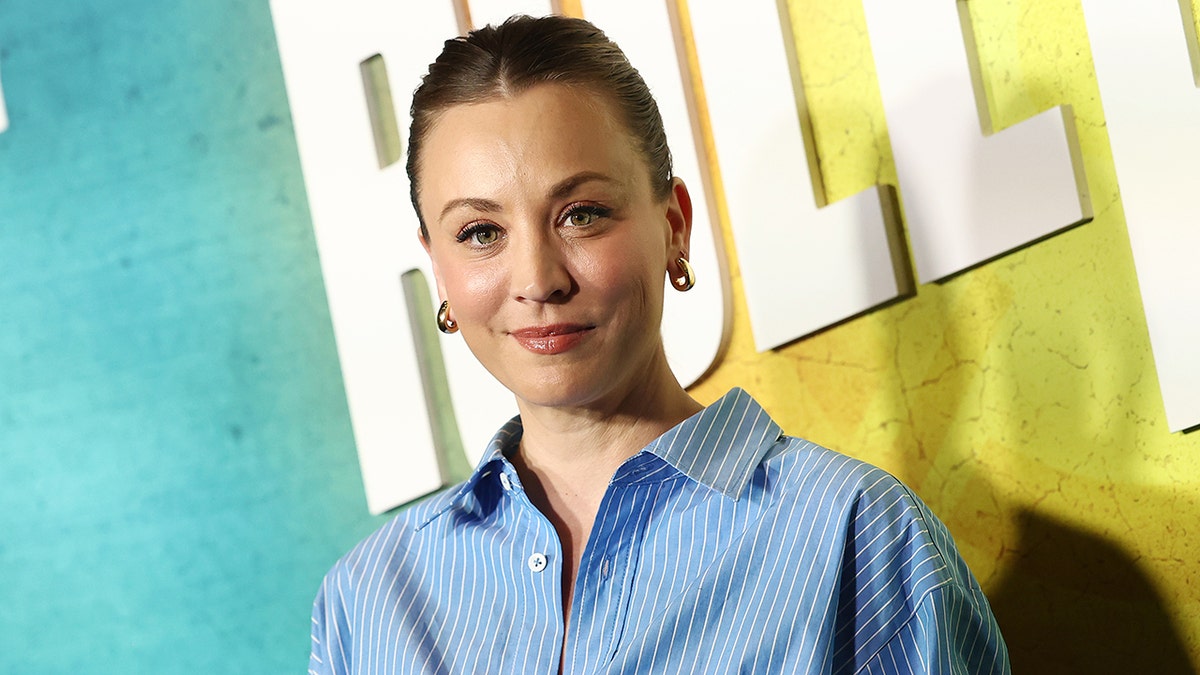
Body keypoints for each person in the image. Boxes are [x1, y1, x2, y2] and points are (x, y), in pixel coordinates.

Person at [309, 14, 1009, 675]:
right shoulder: (368, 603)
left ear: (673, 223)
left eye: (581, 215)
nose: (538, 280)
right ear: (437, 263)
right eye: (480, 233)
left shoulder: (856, 535)